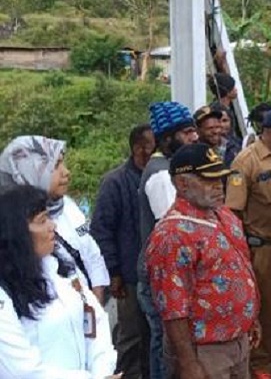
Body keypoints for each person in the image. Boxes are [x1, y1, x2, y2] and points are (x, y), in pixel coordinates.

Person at [146, 143, 261, 379]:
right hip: (205, 350)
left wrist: (251, 318)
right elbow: (173, 307)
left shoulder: (224, 215)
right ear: (182, 184)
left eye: (220, 178)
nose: (219, 186)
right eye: (209, 180)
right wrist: (188, 363)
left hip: (236, 340)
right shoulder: (172, 234)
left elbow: (241, 269)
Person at [0, 185, 117, 378]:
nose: (52, 225)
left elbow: (95, 319)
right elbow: (22, 371)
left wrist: (102, 370)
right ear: (16, 234)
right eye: (42, 220)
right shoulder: (5, 291)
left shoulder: (60, 267)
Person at [226, 108, 271, 378]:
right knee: (265, 317)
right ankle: (260, 367)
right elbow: (233, 212)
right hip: (266, 252)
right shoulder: (246, 162)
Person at [0, 136, 110, 303]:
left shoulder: (67, 206)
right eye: (55, 166)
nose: (66, 172)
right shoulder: (12, 227)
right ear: (29, 170)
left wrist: (96, 301)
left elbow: (91, 252)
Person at [138, 101, 199, 379]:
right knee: (169, 350)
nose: (194, 137)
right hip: (166, 279)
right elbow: (177, 234)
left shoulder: (171, 169)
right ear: (166, 138)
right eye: (187, 132)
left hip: (170, 278)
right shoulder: (162, 176)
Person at [93, 124, 156, 379]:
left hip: (154, 274)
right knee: (130, 336)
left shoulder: (157, 175)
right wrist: (114, 272)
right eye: (153, 144)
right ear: (139, 148)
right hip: (129, 276)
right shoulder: (115, 181)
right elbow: (102, 229)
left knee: (154, 336)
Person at [209, 73, 240, 137]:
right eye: (233, 87)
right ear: (227, 91)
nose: (236, 89)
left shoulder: (228, 107)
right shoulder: (216, 110)